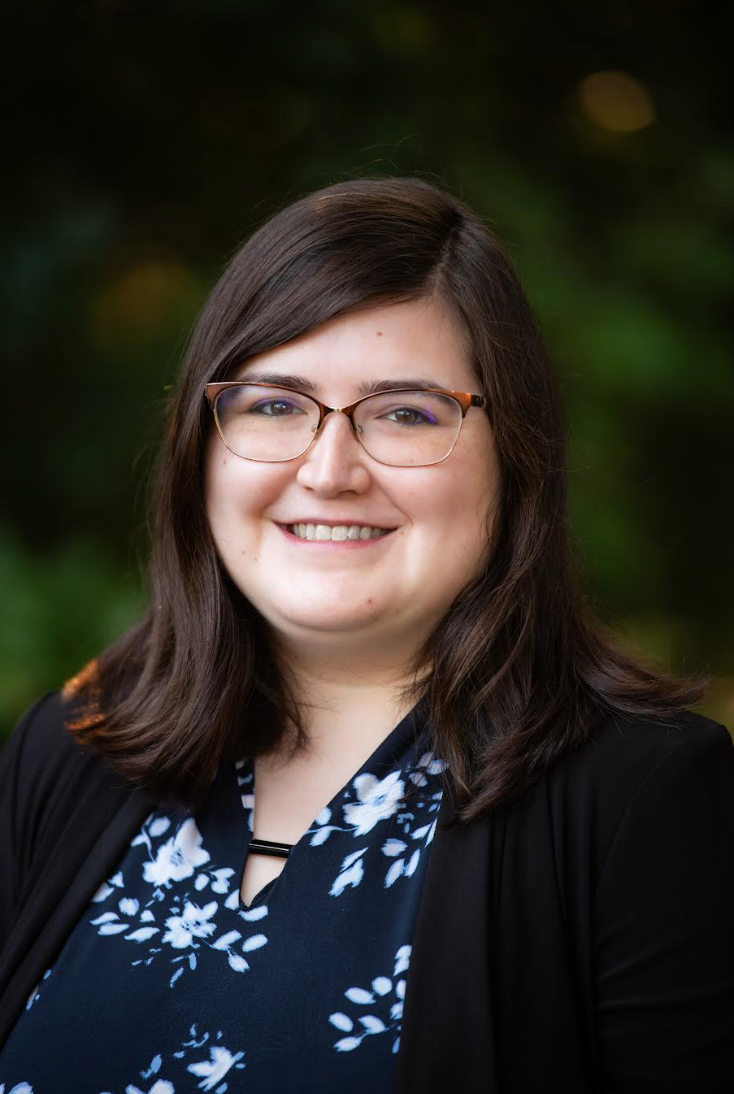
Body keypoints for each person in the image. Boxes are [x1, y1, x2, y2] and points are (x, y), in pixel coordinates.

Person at [0, 176, 732, 1094]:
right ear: (202, 445)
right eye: (272, 404)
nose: (329, 468)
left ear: (517, 456)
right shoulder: (72, 754)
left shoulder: (643, 800)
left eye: (406, 413)